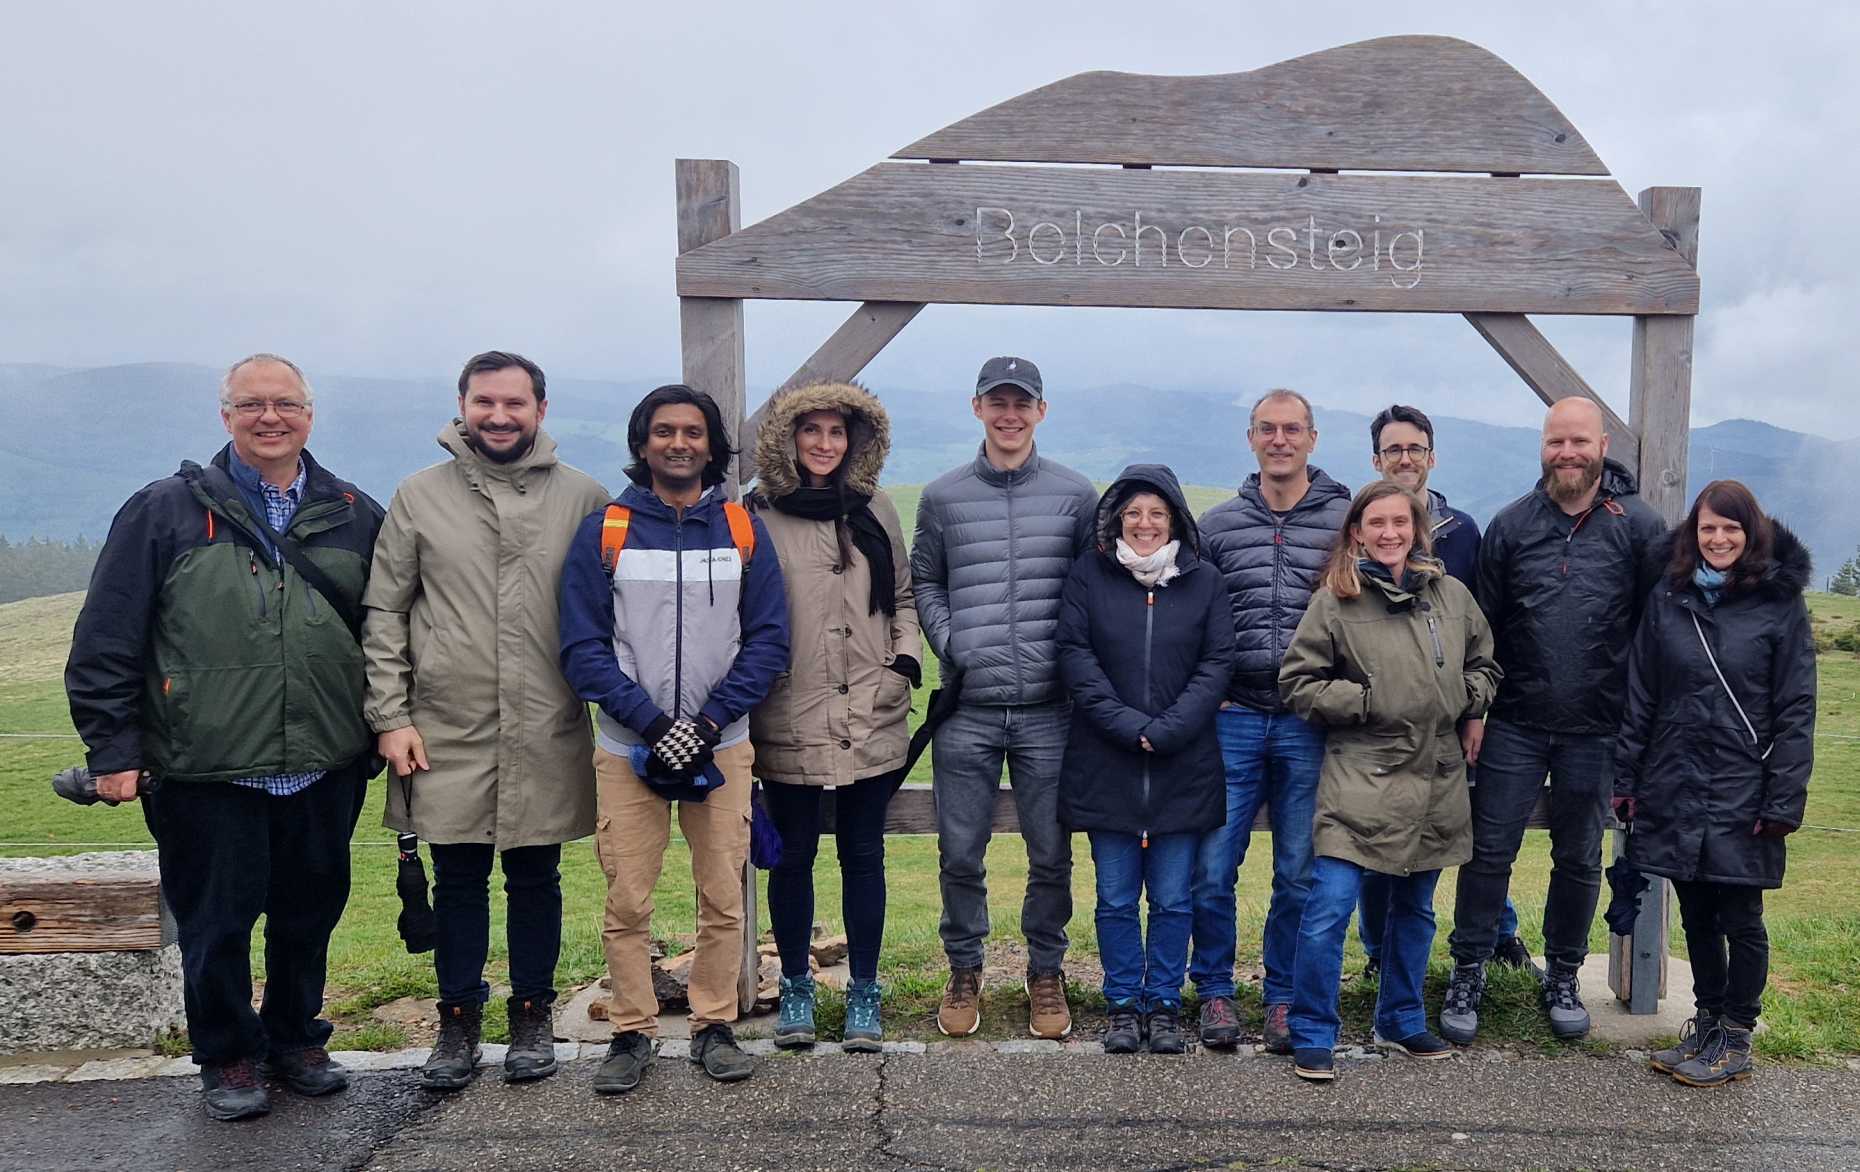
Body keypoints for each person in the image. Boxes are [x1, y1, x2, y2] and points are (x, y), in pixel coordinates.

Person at [65, 354, 383, 1121]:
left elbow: (388, 631)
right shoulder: (165, 511)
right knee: (216, 924)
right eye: (252, 405)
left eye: (285, 404)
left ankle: (297, 1038)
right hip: (204, 767)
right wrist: (113, 751)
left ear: (310, 414)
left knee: (310, 912)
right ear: (225, 416)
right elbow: (108, 637)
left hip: (323, 761)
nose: (269, 417)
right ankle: (229, 1056)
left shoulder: (352, 511)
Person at [362, 351, 610, 1089]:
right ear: (462, 406)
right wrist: (390, 714)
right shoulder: (419, 495)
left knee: (538, 877)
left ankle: (532, 1015)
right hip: (446, 727)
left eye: (514, 403)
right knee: (458, 880)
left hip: (546, 721)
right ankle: (458, 1023)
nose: (498, 417)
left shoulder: (585, 498)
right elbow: (386, 611)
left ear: (540, 411)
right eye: (484, 402)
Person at [558, 385, 789, 1092]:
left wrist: (710, 721)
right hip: (629, 746)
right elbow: (582, 645)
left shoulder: (743, 529)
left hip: (723, 744)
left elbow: (771, 640)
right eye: (664, 431)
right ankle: (632, 1031)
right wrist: (655, 725)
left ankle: (714, 1023)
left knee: (723, 894)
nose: (679, 443)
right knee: (628, 896)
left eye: (693, 431)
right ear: (642, 443)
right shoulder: (608, 530)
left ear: (712, 446)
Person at [1440, 397, 1665, 1045]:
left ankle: (1563, 973)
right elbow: (1482, 630)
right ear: (1542, 446)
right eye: (1555, 441)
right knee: (1488, 853)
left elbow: (1657, 633)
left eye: (1578, 441)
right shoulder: (1512, 526)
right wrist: (1476, 709)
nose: (1567, 453)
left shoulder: (1641, 528)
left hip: (1599, 727)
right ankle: (1470, 969)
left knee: (1579, 857)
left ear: (1600, 445)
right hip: (1513, 719)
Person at [1279, 481, 1502, 1082]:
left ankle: (1401, 1019)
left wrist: (1468, 700)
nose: (1389, 533)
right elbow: (1299, 683)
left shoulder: (1451, 595)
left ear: (1417, 529)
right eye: (1375, 523)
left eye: (1399, 522)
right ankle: (1312, 1031)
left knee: (1416, 910)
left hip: (1435, 778)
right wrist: (1371, 699)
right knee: (1327, 910)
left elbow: (1486, 664)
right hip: (1362, 776)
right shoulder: (1336, 600)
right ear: (1357, 531)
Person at [911, 356, 1098, 1039]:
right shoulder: (943, 496)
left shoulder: (1078, 495)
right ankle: (965, 969)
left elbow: (1090, 589)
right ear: (978, 408)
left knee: (1051, 851)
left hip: (1052, 709)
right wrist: (953, 641)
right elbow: (925, 581)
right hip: (969, 708)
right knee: (960, 852)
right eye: (998, 402)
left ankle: (1045, 971)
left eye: (1023, 403)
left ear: (1041, 412)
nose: (1010, 414)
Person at [1616, 481, 1815, 1087]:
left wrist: (1783, 798)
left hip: (1743, 785)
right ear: (1692, 534)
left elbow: (1796, 707)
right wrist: (1628, 776)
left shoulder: (1780, 606)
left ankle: (1737, 1032)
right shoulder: (1669, 599)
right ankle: (1705, 1020)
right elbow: (1642, 693)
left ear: (1750, 533)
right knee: (1696, 911)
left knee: (1740, 914)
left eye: (1731, 528)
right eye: (1708, 528)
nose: (1719, 539)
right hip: (1675, 778)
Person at [745, 381, 918, 1052]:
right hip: (787, 709)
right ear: (787, 439)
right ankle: (794, 987)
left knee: (863, 853)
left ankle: (864, 992)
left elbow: (902, 593)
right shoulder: (757, 513)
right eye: (810, 431)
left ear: (857, 441)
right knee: (791, 858)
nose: (824, 443)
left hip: (873, 707)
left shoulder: (876, 509)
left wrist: (903, 661)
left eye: (837, 432)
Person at [1190, 389, 1350, 1052]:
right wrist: (1209, 691)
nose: (1279, 440)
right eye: (1267, 429)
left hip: (1308, 721)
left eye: (1291, 429)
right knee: (1211, 864)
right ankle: (1216, 993)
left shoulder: (1345, 521)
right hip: (1233, 715)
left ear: (1312, 438)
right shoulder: (1218, 525)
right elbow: (1190, 616)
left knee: (1298, 869)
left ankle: (1283, 997)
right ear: (1249, 439)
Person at [1056, 465, 1235, 1055]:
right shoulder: (1089, 574)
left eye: (1157, 513)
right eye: (1133, 512)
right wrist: (1131, 727)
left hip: (1184, 765)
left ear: (1175, 519)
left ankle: (1164, 1002)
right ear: (1116, 519)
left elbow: (1217, 663)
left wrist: (1172, 728)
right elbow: (1076, 655)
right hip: (1106, 763)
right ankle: (1122, 1004)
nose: (1145, 523)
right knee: (1113, 896)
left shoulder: (1204, 581)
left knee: (1174, 897)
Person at [1355, 405, 1534, 980]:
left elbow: (1480, 631)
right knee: (1376, 836)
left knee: (1463, 825)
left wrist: (1475, 709)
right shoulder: (1360, 532)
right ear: (1376, 459)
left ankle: (1492, 934)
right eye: (1392, 450)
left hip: (1451, 716)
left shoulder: (1463, 534)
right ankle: (1380, 954)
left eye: (1415, 449)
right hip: (1379, 722)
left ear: (1431, 458)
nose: (1404, 459)